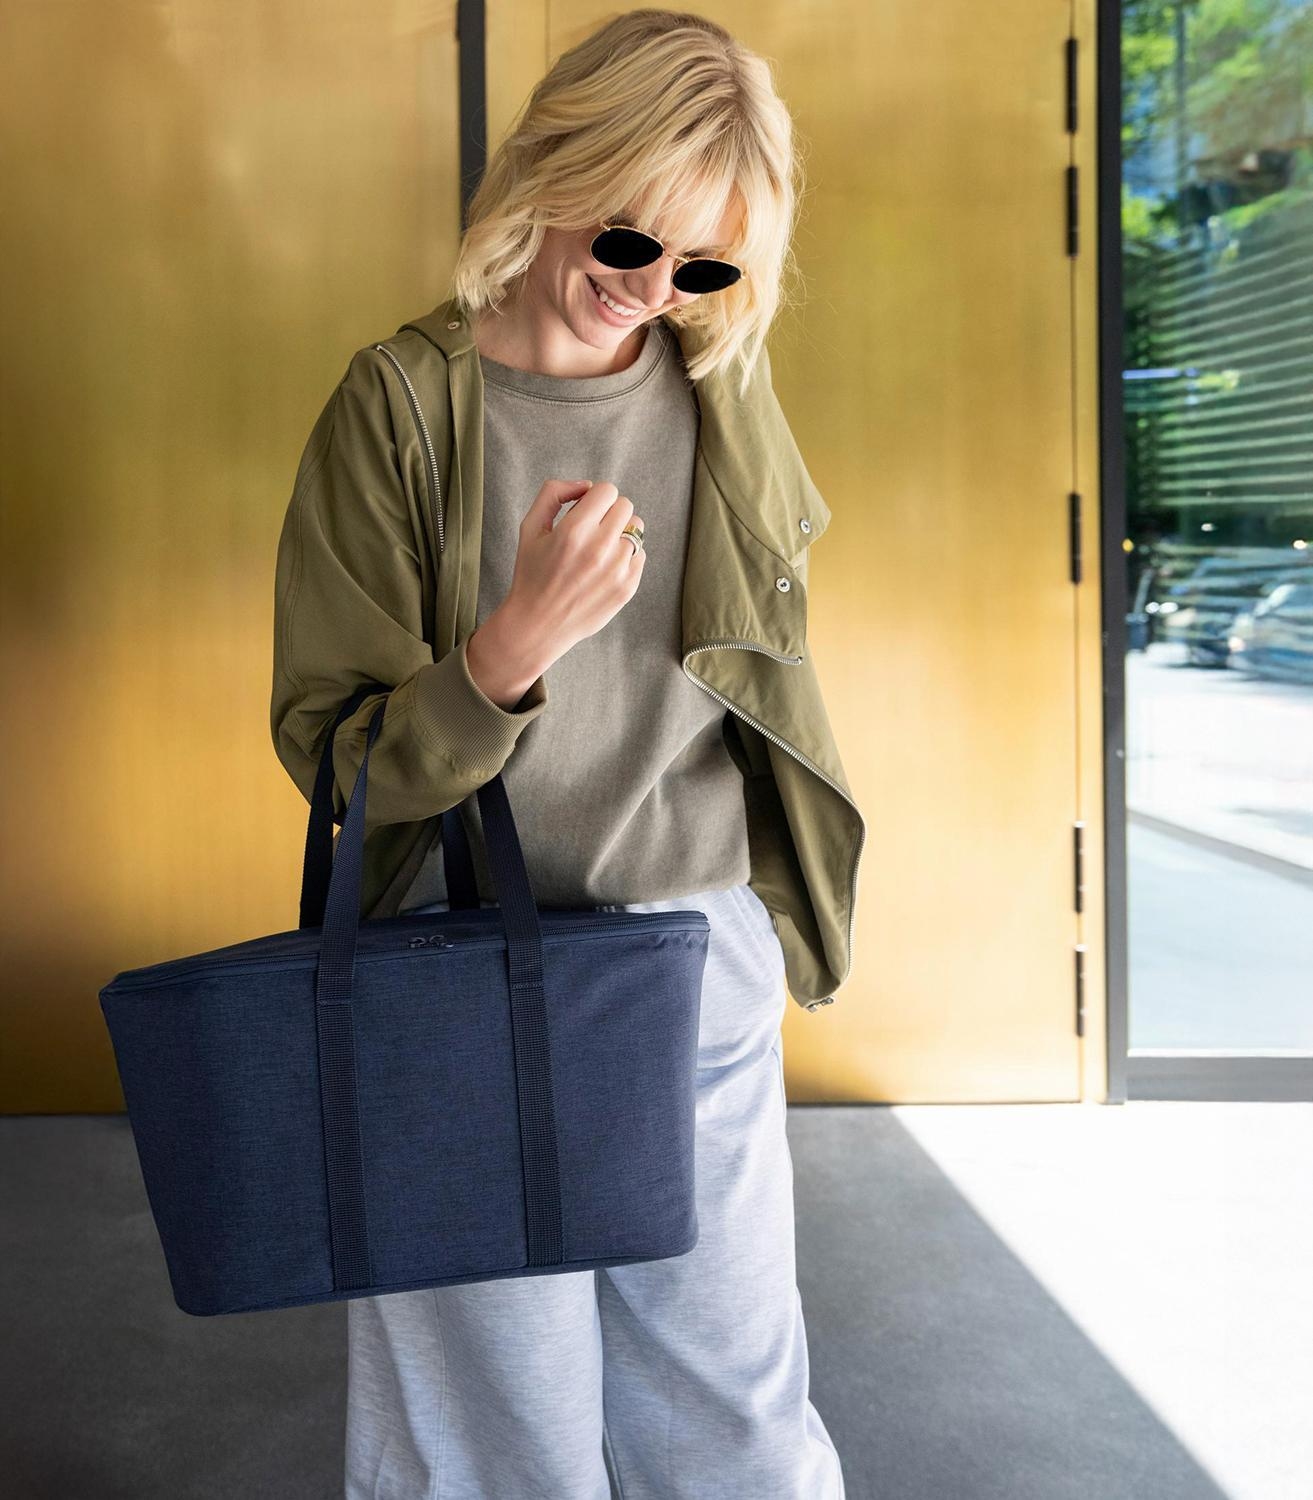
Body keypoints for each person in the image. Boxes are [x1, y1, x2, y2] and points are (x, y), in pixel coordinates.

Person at [272, 9, 855, 1497]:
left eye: (704, 267)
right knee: (494, 1432)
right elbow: (335, 754)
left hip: (689, 952)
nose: (655, 293)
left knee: (733, 1415)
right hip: (461, 958)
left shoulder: (720, 386)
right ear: (552, 171)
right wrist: (511, 645)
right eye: (630, 241)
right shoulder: (400, 408)